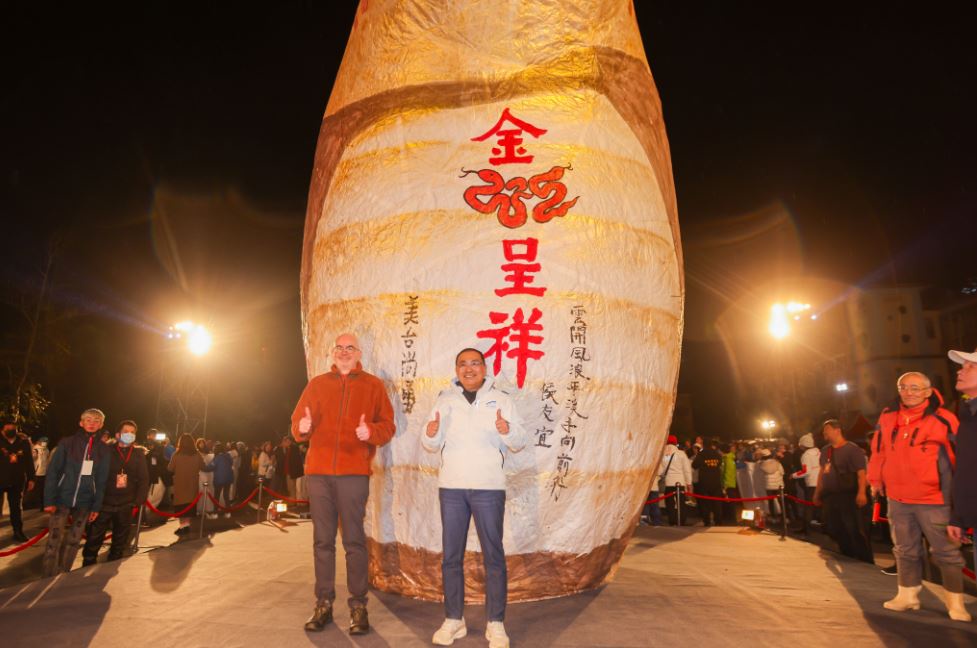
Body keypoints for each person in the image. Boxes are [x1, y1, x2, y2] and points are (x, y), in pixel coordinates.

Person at [291, 332, 395, 635]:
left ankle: (358, 606)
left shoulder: (373, 385)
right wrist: (303, 428)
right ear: (332, 352)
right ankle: (323, 604)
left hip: (353, 473)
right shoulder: (317, 385)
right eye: (340, 347)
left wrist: (370, 433)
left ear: (359, 352)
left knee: (353, 541)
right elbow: (297, 424)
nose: (345, 352)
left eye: (350, 348)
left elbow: (388, 426)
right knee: (322, 541)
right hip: (319, 473)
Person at [423, 348, 526, 648]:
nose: (469, 369)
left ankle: (496, 623)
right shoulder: (445, 400)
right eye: (463, 364)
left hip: (489, 487)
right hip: (452, 488)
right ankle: (454, 620)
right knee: (451, 557)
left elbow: (518, 441)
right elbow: (429, 442)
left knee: (494, 557)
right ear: (456, 369)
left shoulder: (502, 399)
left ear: (484, 368)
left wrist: (506, 430)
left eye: (475, 364)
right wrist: (430, 433)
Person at [867, 371, 966, 620]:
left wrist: (962, 493)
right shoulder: (889, 415)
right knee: (904, 549)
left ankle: (955, 603)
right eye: (903, 387)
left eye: (915, 387)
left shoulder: (945, 419)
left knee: (946, 552)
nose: (908, 392)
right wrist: (875, 479)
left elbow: (960, 457)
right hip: (897, 498)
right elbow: (877, 449)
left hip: (935, 500)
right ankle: (907, 596)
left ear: (928, 391)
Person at [42, 408, 112, 575]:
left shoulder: (103, 449)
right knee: (54, 540)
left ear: (101, 424)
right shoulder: (67, 443)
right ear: (81, 423)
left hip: (85, 501)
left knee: (74, 541)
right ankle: (47, 575)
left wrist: (96, 507)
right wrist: (49, 500)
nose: (92, 423)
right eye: (88, 420)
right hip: (61, 499)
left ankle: (64, 574)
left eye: (96, 421)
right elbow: (53, 472)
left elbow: (102, 481)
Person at [82, 420, 149, 565]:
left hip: (126, 503)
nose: (130, 435)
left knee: (120, 539)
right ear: (118, 435)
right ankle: (88, 562)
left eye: (133, 433)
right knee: (94, 537)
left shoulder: (138, 454)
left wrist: (137, 501)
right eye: (126, 432)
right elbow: (88, 471)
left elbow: (144, 479)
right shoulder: (104, 450)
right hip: (104, 502)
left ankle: (113, 563)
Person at [812, 420, 872, 562]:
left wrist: (862, 492)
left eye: (827, 429)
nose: (824, 433)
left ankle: (865, 560)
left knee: (854, 528)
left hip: (848, 495)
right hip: (830, 496)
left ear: (837, 430)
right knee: (832, 526)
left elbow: (861, 473)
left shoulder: (852, 449)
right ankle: (847, 553)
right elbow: (822, 472)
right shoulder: (826, 450)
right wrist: (817, 492)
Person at [947, 346, 977, 622]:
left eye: (969, 366)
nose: (960, 369)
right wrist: (958, 516)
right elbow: (966, 470)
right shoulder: (967, 412)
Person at [167, 433, 211, 536]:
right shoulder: (197, 454)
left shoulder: (176, 454)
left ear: (180, 443)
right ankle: (186, 526)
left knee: (181, 506)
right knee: (189, 506)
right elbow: (203, 467)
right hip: (192, 484)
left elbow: (170, 468)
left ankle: (183, 526)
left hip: (180, 485)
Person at [1, 419, 36, 543]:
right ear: (3, 428)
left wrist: (31, 478)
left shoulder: (23, 441)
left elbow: (29, 461)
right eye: (8, 425)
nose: (11, 428)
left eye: (13, 426)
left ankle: (18, 531)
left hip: (17, 479)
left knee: (16, 507)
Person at [659, 434, 692, 526]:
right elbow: (687, 469)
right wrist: (689, 483)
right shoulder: (681, 453)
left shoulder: (662, 454)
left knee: (670, 504)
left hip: (668, 482)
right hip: (680, 482)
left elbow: (660, 471)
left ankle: (672, 520)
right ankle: (681, 520)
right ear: (675, 443)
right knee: (681, 503)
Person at [791, 433, 820, 534]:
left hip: (812, 483)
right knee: (819, 505)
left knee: (808, 507)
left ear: (803, 445)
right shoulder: (818, 452)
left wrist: (793, 475)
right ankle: (820, 527)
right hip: (821, 482)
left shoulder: (806, 455)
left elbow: (805, 471)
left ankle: (806, 529)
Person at [691, 438, 724, 527]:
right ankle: (718, 521)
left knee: (705, 503)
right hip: (716, 482)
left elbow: (694, 465)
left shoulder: (702, 454)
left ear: (704, 445)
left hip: (704, 482)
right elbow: (720, 463)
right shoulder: (717, 454)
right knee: (717, 503)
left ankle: (707, 521)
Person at [757, 448, 785, 522]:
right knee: (781, 501)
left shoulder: (762, 465)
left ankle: (773, 517)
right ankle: (784, 517)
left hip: (769, 486)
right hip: (779, 485)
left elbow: (760, 476)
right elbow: (782, 472)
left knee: (771, 501)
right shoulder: (777, 463)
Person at [211, 443, 234, 518]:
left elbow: (210, 467)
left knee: (216, 496)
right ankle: (228, 513)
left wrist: (201, 467)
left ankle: (215, 513)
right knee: (226, 495)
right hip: (228, 478)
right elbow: (231, 463)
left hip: (219, 479)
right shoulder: (228, 456)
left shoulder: (217, 457)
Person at [30, 436, 49, 512]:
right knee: (38, 490)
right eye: (43, 441)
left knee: (43, 490)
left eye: (46, 441)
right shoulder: (35, 449)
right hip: (37, 473)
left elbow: (47, 459)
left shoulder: (46, 450)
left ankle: (43, 505)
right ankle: (38, 505)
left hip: (45, 473)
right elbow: (33, 458)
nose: (45, 443)